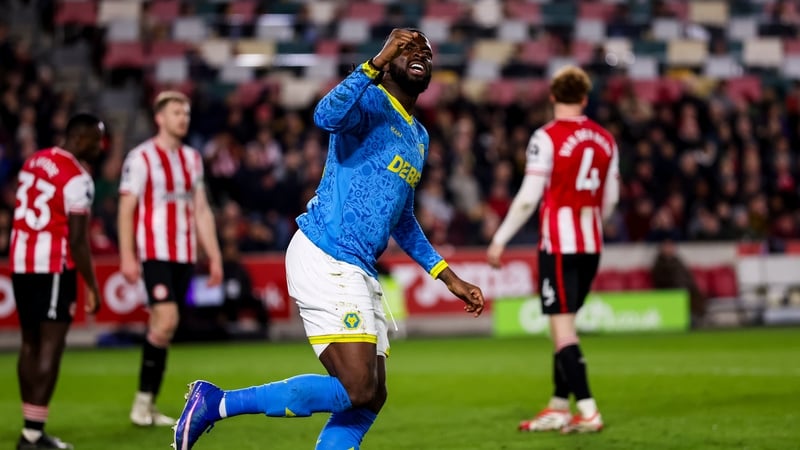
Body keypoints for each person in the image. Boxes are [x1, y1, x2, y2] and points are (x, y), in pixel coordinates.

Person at [173, 28, 485, 450]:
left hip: (357, 264)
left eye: (426, 52)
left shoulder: (419, 136)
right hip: (328, 251)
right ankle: (216, 403)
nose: (419, 53)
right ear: (388, 61)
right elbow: (325, 116)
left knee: (371, 395)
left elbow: (403, 217)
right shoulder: (369, 100)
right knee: (357, 385)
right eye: (407, 47)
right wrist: (376, 61)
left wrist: (448, 277)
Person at [487, 65, 620, 434]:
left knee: (562, 330)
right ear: (584, 99)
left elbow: (528, 198)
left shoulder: (545, 138)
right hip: (591, 243)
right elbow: (611, 199)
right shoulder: (606, 139)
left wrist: (500, 239)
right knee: (564, 326)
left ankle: (588, 410)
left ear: (552, 96)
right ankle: (559, 405)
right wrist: (591, 219)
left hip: (559, 244)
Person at [118, 91, 223, 427]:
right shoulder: (141, 157)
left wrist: (214, 256)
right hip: (155, 252)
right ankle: (141, 404)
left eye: (186, 113)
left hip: (184, 254)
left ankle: (146, 405)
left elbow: (201, 210)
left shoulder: (192, 158)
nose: (183, 118)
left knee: (164, 327)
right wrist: (127, 256)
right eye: (176, 112)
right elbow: (126, 207)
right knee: (166, 321)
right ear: (159, 118)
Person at [11, 113, 105, 449]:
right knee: (51, 345)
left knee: (29, 344)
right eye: (96, 139)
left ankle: (31, 428)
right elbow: (78, 241)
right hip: (52, 265)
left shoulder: (34, 161)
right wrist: (92, 285)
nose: (100, 146)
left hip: (21, 260)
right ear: (79, 138)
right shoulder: (78, 178)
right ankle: (32, 433)